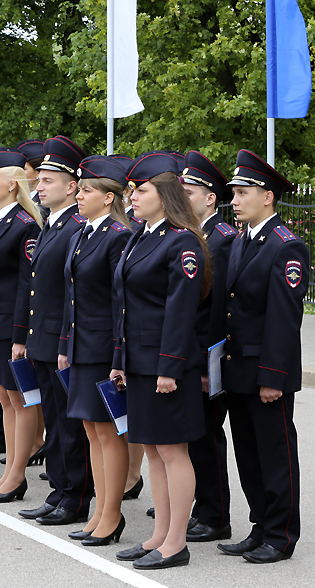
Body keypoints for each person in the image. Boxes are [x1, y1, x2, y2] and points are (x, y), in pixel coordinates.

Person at [112, 152, 210, 570]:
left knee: (173, 452)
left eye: (142, 190)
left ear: (165, 195)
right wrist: (120, 359)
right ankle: (158, 535)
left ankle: (176, 542)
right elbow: (125, 306)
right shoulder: (141, 236)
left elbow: (180, 310)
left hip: (166, 365)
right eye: (132, 190)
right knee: (152, 450)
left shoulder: (181, 241)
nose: (132, 197)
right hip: (138, 361)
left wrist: (169, 367)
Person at [217, 150, 308, 564]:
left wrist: (273, 375)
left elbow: (284, 321)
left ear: (268, 196)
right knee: (248, 453)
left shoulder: (286, 247)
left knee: (275, 453)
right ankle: (259, 526)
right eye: (233, 193)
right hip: (238, 367)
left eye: (242, 192)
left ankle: (281, 534)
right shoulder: (242, 240)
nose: (233, 200)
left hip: (265, 370)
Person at [19, 136, 94, 526]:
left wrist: (63, 339)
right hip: (43, 336)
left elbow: (71, 294)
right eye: (40, 179)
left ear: (71, 186)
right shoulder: (52, 224)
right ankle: (60, 489)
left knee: (68, 424)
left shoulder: (75, 229)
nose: (39, 186)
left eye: (47, 180)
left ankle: (75, 496)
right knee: (53, 417)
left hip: (60, 337)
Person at [60, 156, 133, 544]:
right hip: (80, 346)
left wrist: (119, 354)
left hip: (104, 348)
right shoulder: (81, 234)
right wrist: (64, 344)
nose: (80, 195)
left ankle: (111, 514)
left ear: (108, 198)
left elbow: (119, 302)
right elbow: (70, 297)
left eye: (87, 190)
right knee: (91, 431)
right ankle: (100, 510)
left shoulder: (118, 235)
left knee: (108, 433)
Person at [0, 148, 42, 501]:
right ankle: (9, 472)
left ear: (13, 186)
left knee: (20, 399)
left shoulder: (25, 226)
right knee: (4, 398)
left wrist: (21, 335)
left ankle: (17, 475)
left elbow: (26, 285)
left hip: (11, 327)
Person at [180, 151, 236, 543]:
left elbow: (217, 310)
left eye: (189, 190)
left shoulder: (222, 239)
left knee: (206, 435)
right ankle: (200, 504)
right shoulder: (195, 234)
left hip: (208, 355)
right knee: (192, 434)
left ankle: (215, 515)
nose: (182, 196)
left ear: (210, 197)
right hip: (190, 352)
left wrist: (205, 365)